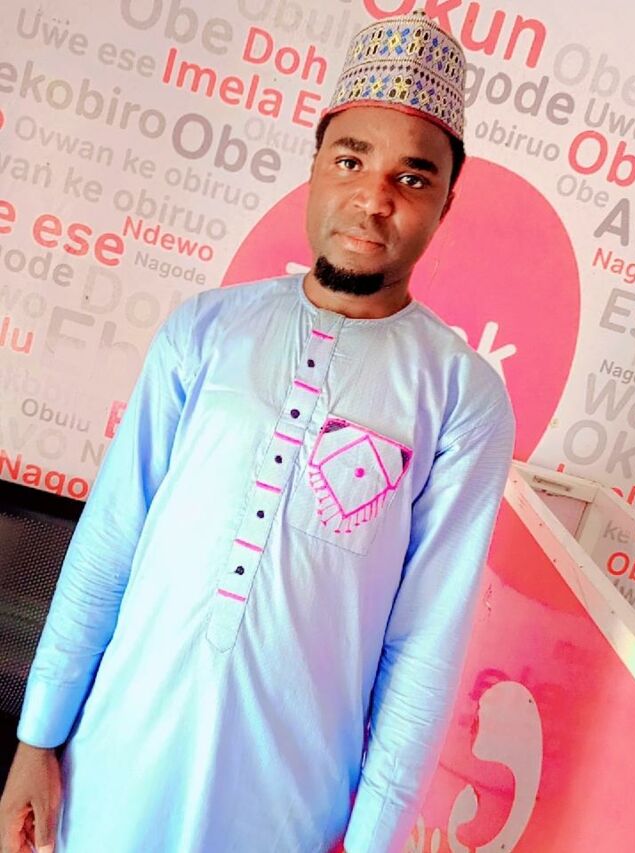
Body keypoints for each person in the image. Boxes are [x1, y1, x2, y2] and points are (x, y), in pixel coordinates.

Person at [0, 10, 515, 853]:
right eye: (351, 159)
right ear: (315, 164)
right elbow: (108, 543)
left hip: (284, 810)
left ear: (445, 203)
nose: (374, 198)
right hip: (113, 767)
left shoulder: (462, 397)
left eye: (413, 178)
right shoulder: (206, 332)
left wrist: (375, 840)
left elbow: (424, 642)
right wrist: (36, 737)